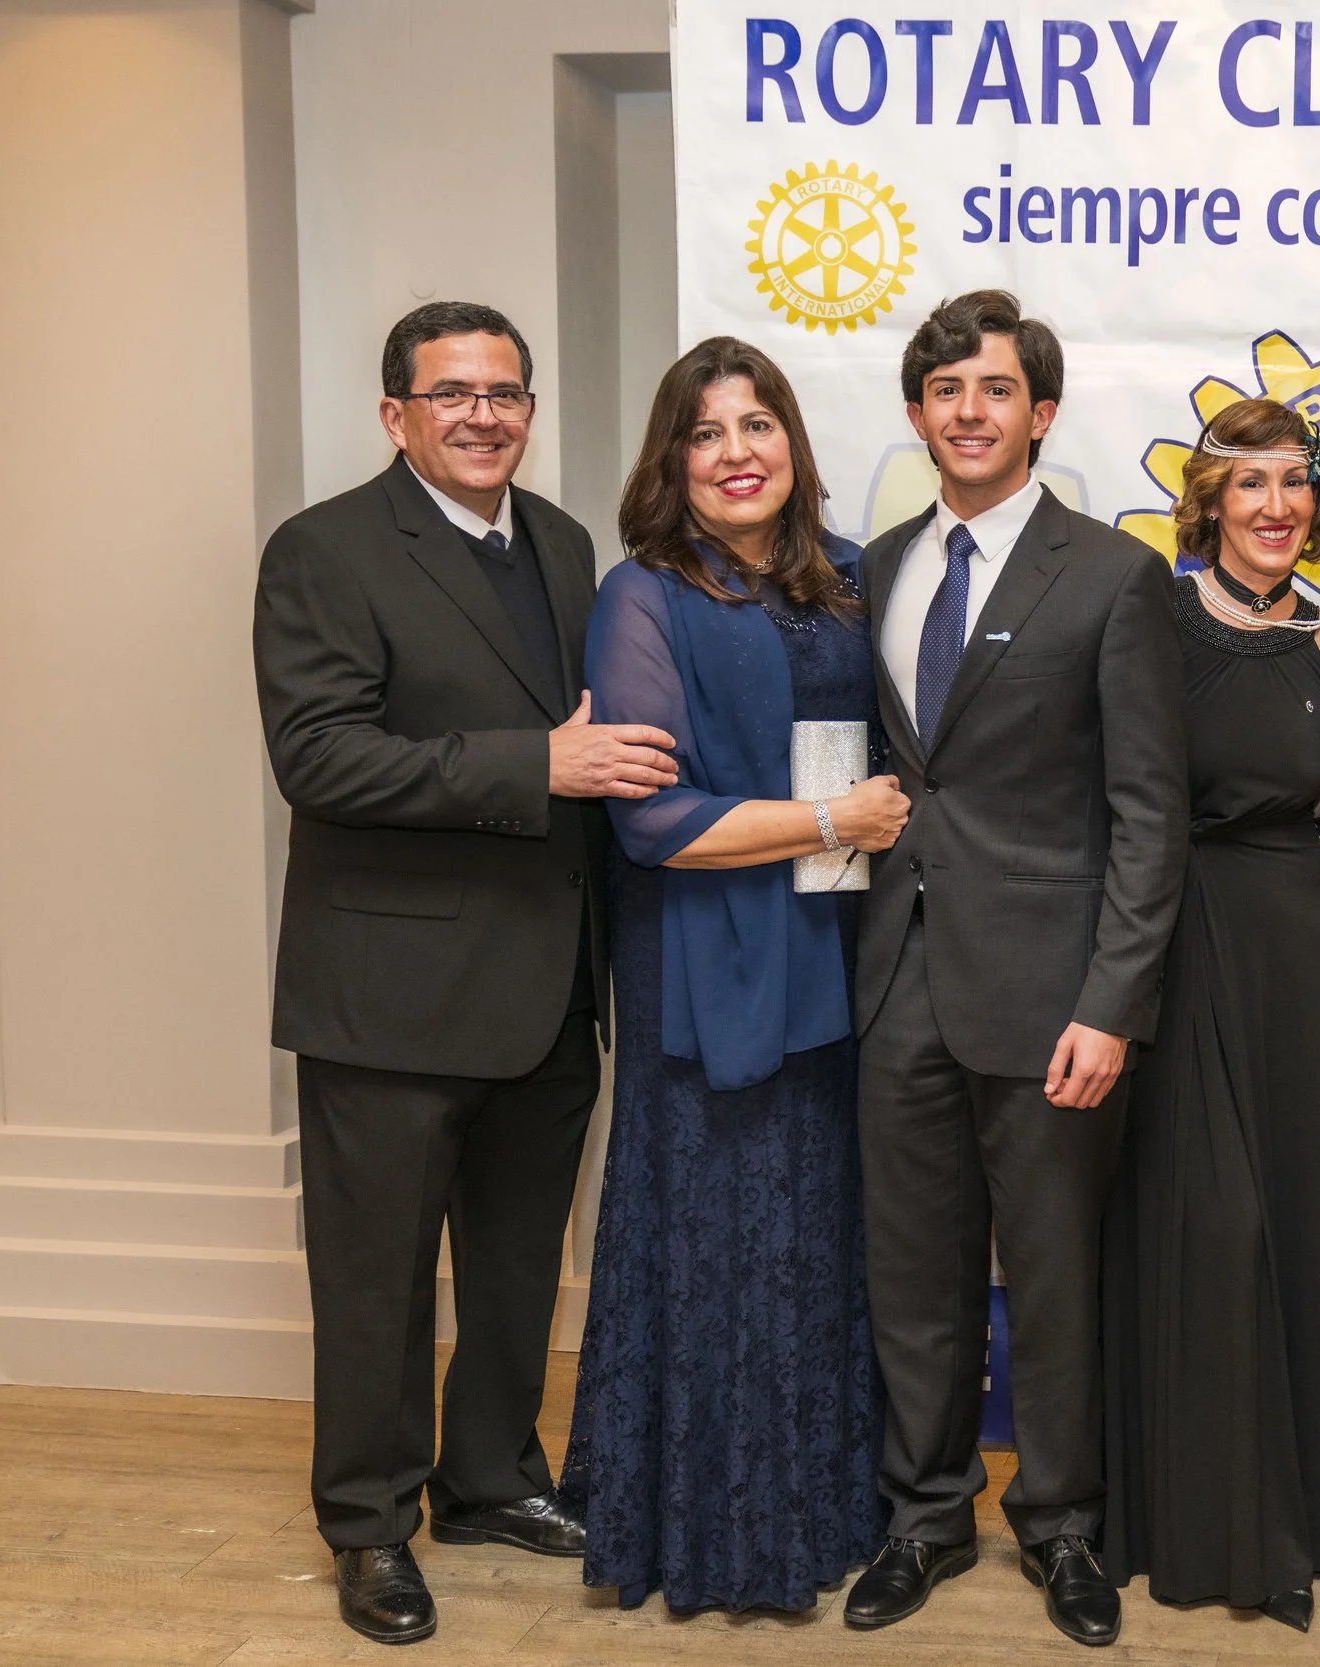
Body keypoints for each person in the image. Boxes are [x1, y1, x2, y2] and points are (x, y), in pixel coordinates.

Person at [254, 302, 681, 1645]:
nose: (483, 415)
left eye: (504, 392)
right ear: (397, 414)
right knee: (375, 1282)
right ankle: (369, 1521)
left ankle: (489, 1476)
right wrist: (535, 763)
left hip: (547, 984)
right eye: (452, 393)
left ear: (529, 411)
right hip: (388, 992)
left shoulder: (561, 542)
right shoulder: (323, 549)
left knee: (513, 1262)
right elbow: (319, 756)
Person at [843, 290, 1189, 1650]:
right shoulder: (877, 565)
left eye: (994, 388)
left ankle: (1061, 1524)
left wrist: (1112, 1004)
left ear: (1039, 412)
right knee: (912, 1276)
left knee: (1052, 1280)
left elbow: (1150, 815)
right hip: (894, 981)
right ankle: (925, 1514)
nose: (968, 410)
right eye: (944, 389)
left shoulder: (1110, 574)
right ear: (916, 411)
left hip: (1053, 1000)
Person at [557, 338, 912, 1613]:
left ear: (792, 443)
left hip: (843, 945)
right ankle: (712, 1529)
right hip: (708, 955)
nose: (736, 452)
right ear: (674, 461)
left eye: (756, 424)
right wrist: (829, 822)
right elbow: (652, 820)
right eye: (705, 433)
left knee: (819, 1230)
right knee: (717, 1233)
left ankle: (823, 1505)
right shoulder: (643, 594)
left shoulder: (854, 578)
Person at [1100, 398, 1320, 1632]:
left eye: (1294, 482)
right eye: (1248, 482)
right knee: (1208, 1223)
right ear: (1207, 501)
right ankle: (1192, 1518)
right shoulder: (1150, 614)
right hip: (1173, 930)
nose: (1274, 504)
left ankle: (1296, 1514)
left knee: (1300, 1220)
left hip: (1295, 947)